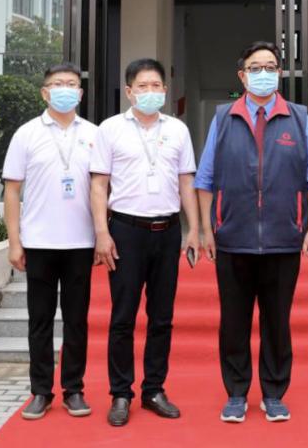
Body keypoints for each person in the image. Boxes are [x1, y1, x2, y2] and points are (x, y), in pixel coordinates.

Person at [195, 40, 308, 424]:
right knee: (233, 322)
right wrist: (206, 229)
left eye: (270, 67)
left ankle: (274, 393)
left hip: (283, 239)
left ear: (280, 73)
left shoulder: (298, 119)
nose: (263, 73)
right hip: (233, 238)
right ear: (242, 75)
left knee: (277, 322)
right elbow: (205, 179)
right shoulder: (223, 118)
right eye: (256, 68)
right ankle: (236, 393)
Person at [90, 58, 200, 427]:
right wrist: (102, 233)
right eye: (142, 86)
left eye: (156, 86)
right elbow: (98, 185)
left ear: (165, 90)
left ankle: (154, 389)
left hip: (167, 231)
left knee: (162, 317)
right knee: (123, 317)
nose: (150, 92)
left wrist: (194, 229)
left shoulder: (178, 130)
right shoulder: (110, 129)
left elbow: (187, 182)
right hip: (126, 231)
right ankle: (121, 393)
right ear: (129, 91)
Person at [2, 63, 98, 421]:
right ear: (45, 92)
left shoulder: (94, 134)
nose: (65, 89)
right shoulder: (26, 134)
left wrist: (102, 235)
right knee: (39, 321)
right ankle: (41, 390)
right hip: (39, 242)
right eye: (58, 84)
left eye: (71, 84)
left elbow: (103, 188)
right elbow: (12, 191)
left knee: (77, 321)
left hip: (81, 242)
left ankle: (74, 389)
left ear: (80, 93)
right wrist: (15, 241)